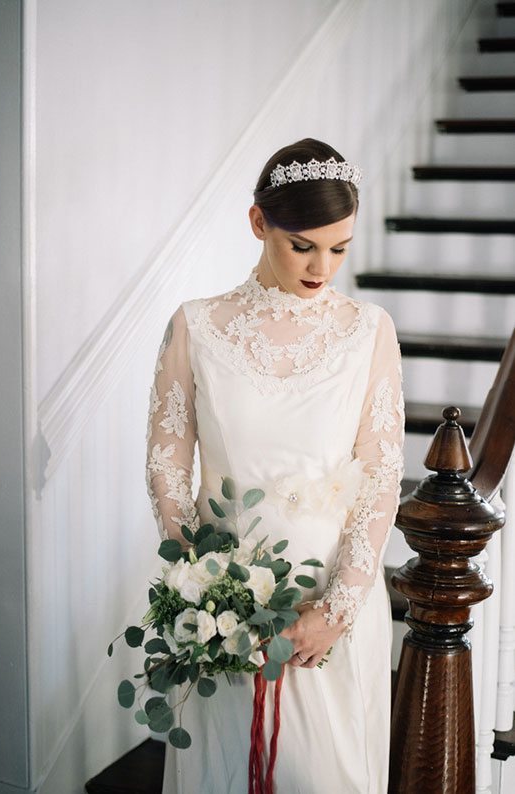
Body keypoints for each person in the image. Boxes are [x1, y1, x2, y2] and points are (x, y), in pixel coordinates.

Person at [145, 137, 405, 794]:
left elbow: (379, 476)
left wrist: (336, 609)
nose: (323, 266)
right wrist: (209, 594)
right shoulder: (195, 326)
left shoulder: (368, 330)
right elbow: (168, 468)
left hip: (326, 608)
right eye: (303, 245)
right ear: (259, 223)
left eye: (339, 248)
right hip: (223, 615)